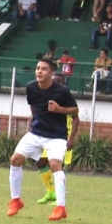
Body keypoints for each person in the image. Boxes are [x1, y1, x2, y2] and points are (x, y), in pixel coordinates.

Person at [7, 58, 79, 221]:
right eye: (38, 68)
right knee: (15, 159)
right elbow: (33, 105)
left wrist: (60, 110)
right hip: (36, 133)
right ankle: (15, 200)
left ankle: (60, 207)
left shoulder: (61, 91)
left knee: (54, 164)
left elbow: (75, 110)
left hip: (56, 136)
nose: (39, 71)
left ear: (51, 73)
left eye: (44, 69)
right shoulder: (31, 87)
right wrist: (35, 119)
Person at [36, 72, 80, 205]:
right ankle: (51, 192)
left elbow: (76, 119)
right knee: (40, 162)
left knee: (58, 167)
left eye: (58, 81)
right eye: (54, 81)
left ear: (63, 83)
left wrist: (71, 138)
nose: (55, 84)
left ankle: (61, 197)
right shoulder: (49, 98)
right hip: (49, 137)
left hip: (63, 137)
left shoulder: (66, 99)